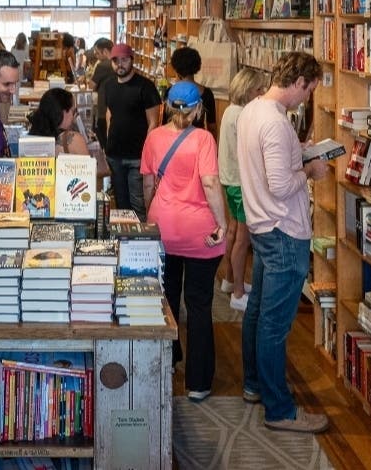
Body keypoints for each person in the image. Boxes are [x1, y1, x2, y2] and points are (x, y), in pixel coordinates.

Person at [237, 51, 330, 433]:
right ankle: (280, 410)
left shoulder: (250, 111)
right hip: (283, 231)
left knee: (257, 313)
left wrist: (299, 155)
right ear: (298, 82)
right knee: (274, 325)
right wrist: (310, 169)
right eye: (308, 90)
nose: (307, 98)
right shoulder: (275, 124)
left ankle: (254, 385)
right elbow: (280, 186)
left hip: (261, 227)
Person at [140, 80, 227, 401]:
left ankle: (169, 360)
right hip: (199, 231)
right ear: (198, 109)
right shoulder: (204, 139)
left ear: (166, 106)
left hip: (163, 227)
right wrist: (223, 223)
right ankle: (199, 382)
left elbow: (148, 182)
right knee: (200, 303)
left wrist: (152, 215)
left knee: (166, 297)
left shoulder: (153, 138)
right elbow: (210, 182)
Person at [218, 67, 266, 311]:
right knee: (243, 239)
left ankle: (229, 280)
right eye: (259, 89)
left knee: (234, 231)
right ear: (248, 91)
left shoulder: (229, 111)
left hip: (229, 179)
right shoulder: (244, 115)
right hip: (241, 182)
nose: (263, 94)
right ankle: (238, 292)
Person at [102, 42, 161, 219]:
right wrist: (107, 141)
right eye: (116, 60)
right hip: (114, 155)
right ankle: (124, 242)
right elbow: (109, 113)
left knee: (139, 204)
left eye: (124, 60)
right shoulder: (109, 85)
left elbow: (154, 122)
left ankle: (141, 243)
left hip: (138, 157)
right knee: (120, 205)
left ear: (132, 60)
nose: (120, 64)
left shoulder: (146, 86)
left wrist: (147, 153)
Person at [161, 46, 218, 140]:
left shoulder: (171, 92)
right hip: (197, 140)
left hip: (173, 140)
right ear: (196, 67)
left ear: (176, 69)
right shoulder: (207, 93)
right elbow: (212, 127)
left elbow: (165, 122)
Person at [27, 87, 90, 156]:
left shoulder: (32, 136)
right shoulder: (75, 140)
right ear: (64, 112)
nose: (74, 118)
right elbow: (90, 166)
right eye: (73, 111)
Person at [89, 38, 114, 147]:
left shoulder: (102, 66)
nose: (96, 55)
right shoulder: (117, 63)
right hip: (115, 108)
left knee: (102, 139)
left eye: (97, 52)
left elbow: (92, 86)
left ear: (105, 51)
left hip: (103, 109)